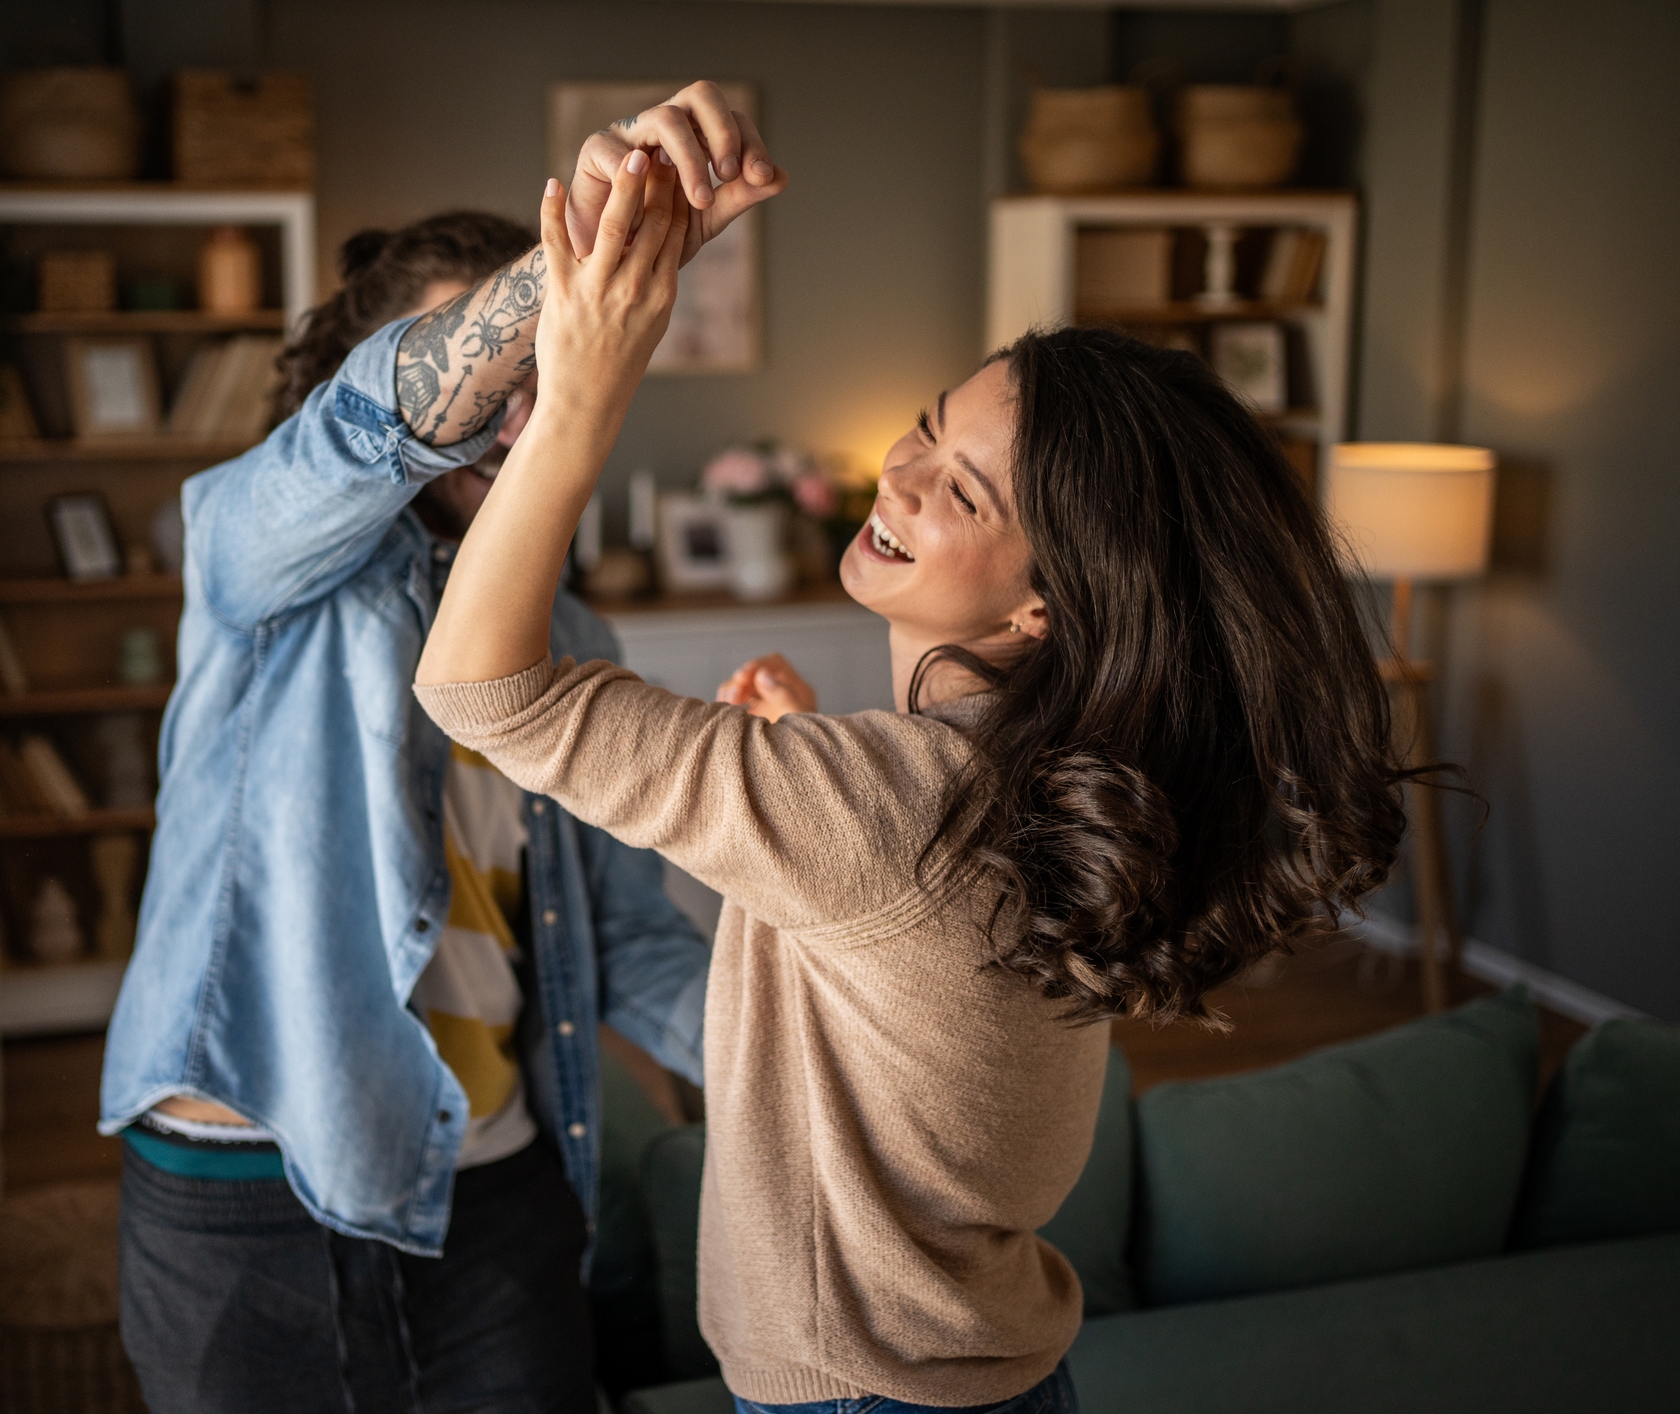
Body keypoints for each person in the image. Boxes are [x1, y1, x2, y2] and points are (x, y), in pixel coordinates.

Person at [412, 154, 1408, 1413]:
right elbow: (906, 928)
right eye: (929, 427)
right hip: (991, 1372)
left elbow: (481, 690)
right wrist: (812, 756)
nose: (899, 475)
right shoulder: (1065, 786)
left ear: (1049, 605)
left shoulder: (890, 810)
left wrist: (581, 390)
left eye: (963, 490)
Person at [98, 85, 788, 1414]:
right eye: (494, 375)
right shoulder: (265, 557)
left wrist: (833, 1050)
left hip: (497, 1182)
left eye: (544, 379)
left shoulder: (572, 633)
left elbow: (623, 936)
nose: (515, 418)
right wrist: (577, 263)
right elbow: (371, 426)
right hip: (251, 1182)